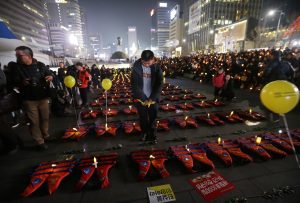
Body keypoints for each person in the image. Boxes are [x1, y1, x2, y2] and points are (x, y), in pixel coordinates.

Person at [10, 46, 53, 150]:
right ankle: (39, 141)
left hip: (42, 97)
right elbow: (12, 82)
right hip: (28, 99)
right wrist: (22, 82)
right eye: (16, 55)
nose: (17, 57)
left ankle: (45, 135)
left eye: (19, 55)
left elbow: (50, 74)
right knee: (34, 121)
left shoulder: (40, 65)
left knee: (45, 118)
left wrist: (50, 76)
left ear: (28, 55)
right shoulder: (17, 68)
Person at [131, 50, 163, 144]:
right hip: (141, 99)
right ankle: (144, 132)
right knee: (143, 117)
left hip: (153, 98)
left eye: (148, 63)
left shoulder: (157, 68)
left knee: (153, 117)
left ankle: (152, 134)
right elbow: (135, 85)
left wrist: (152, 98)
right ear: (141, 60)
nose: (146, 65)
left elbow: (159, 84)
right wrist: (144, 98)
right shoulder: (136, 68)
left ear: (153, 60)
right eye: (144, 63)